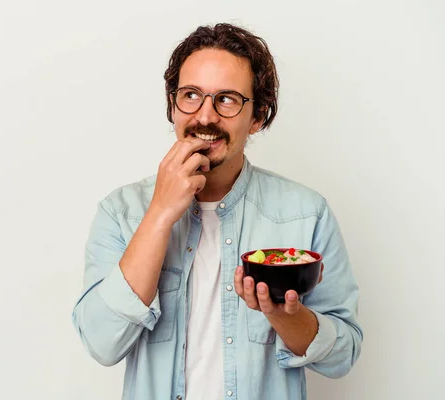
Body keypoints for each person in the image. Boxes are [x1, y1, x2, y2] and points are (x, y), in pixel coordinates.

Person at [71, 23, 363, 400]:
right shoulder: (120, 212)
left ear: (257, 116)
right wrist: (160, 213)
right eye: (191, 95)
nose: (205, 117)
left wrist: (283, 315)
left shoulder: (307, 213)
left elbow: (343, 357)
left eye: (226, 99)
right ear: (173, 106)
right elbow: (100, 343)